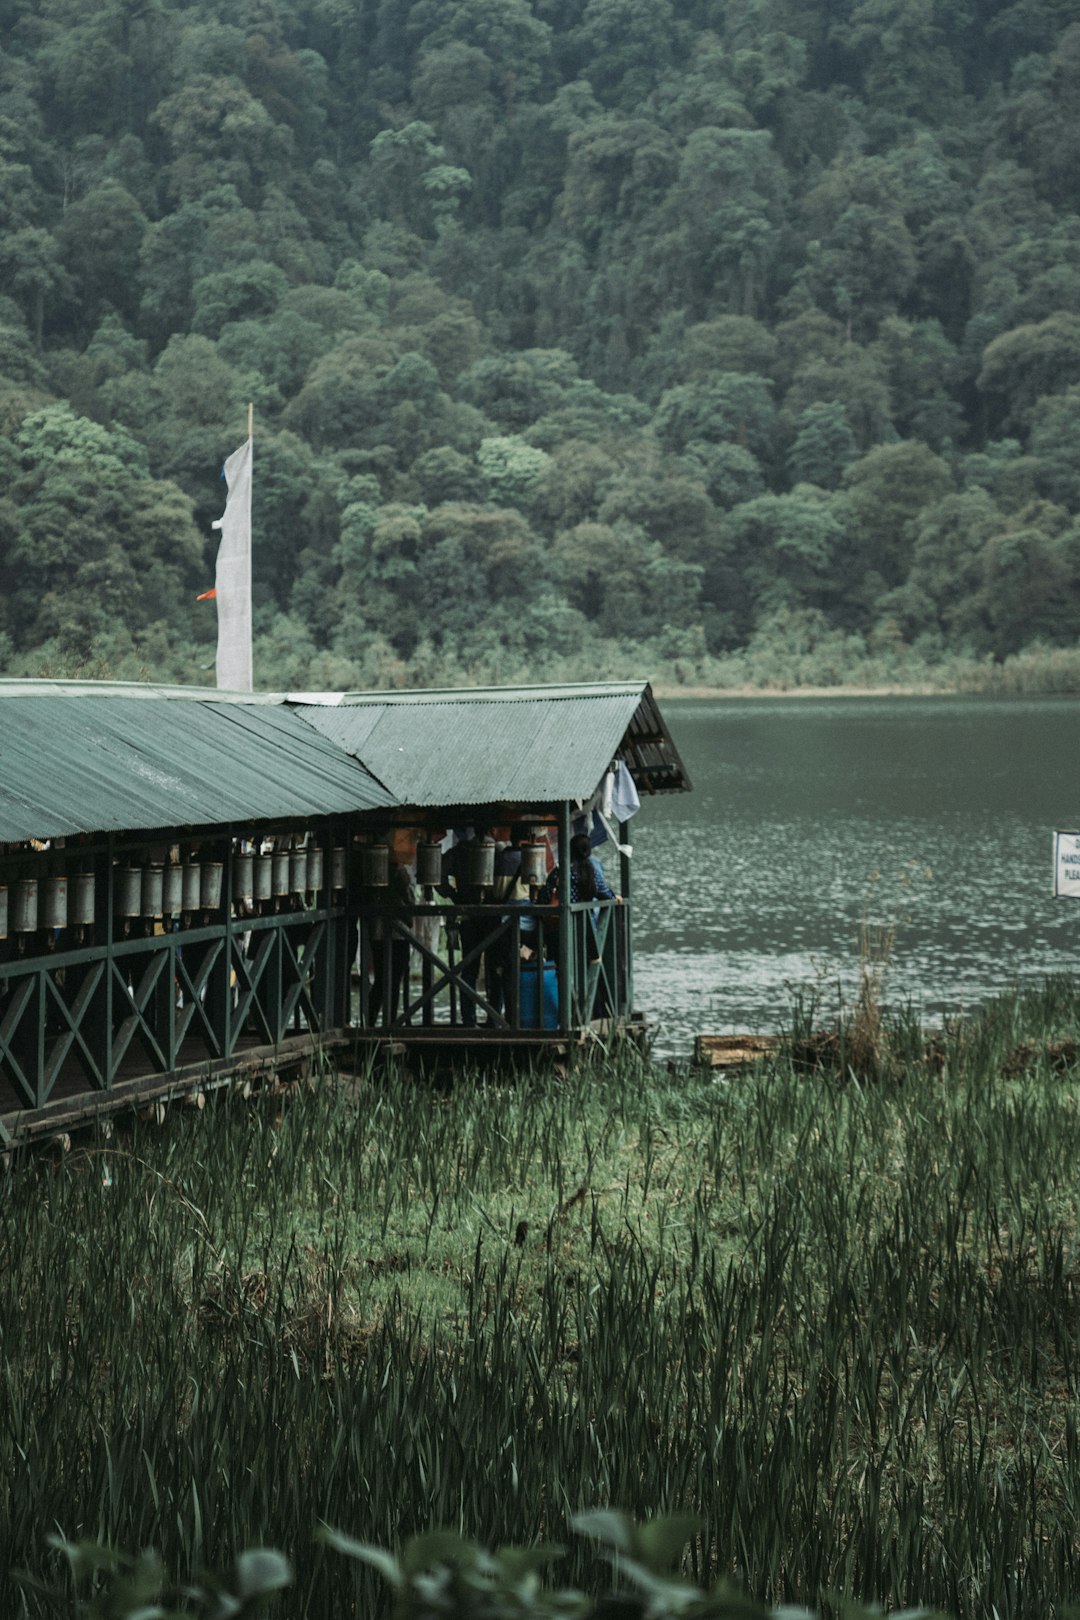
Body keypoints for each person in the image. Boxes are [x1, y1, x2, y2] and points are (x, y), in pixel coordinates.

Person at [368, 848, 416, 1026]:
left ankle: (371, 1020)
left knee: (381, 979)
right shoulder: (400, 873)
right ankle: (391, 1021)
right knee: (394, 980)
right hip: (398, 933)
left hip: (377, 931)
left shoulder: (374, 871)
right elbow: (410, 900)